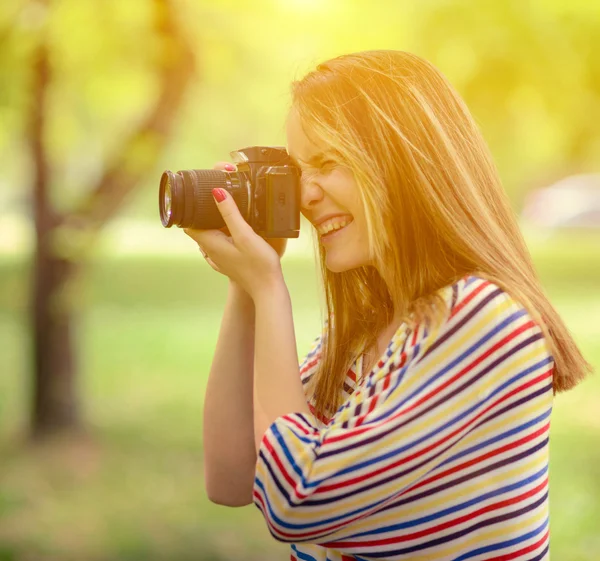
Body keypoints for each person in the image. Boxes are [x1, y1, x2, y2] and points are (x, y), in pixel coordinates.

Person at [184, 50, 593, 561]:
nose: (306, 196)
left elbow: (297, 502)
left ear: (402, 163)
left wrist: (269, 290)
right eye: (298, 170)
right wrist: (244, 286)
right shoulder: (370, 327)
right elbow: (231, 476)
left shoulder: (481, 318)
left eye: (328, 163)